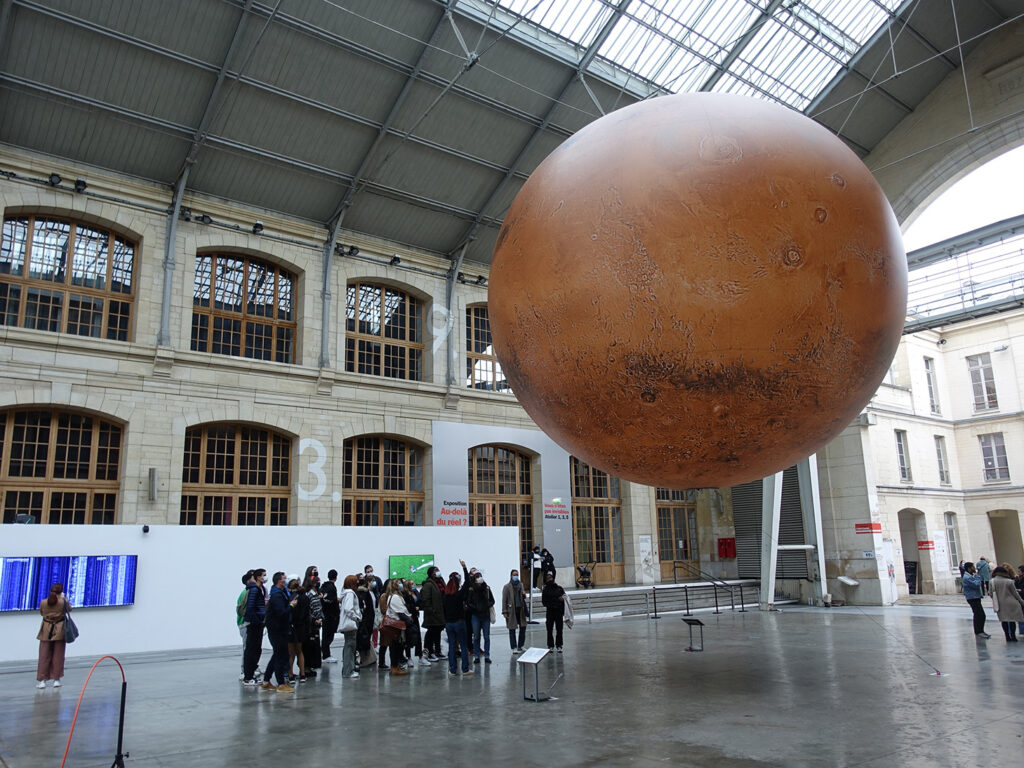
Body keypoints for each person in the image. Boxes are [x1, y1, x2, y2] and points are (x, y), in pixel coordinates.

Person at [261, 572, 294, 693]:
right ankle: (280, 683)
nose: (286, 581)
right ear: (279, 581)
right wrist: (291, 605)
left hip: (279, 629)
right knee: (281, 656)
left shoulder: (280, 593)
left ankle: (266, 681)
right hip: (277, 629)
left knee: (277, 655)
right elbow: (282, 612)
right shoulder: (277, 596)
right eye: (284, 579)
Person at [36, 583, 70, 688]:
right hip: (59, 630)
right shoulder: (63, 602)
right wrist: (63, 598)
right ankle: (56, 680)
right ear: (61, 592)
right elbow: (69, 610)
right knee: (58, 656)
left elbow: (42, 613)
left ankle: (42, 681)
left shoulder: (43, 602)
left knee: (44, 656)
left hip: (46, 630)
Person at [443, 571, 472, 676]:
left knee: (451, 646)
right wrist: (464, 568)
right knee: (463, 646)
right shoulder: (459, 595)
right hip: (459, 623)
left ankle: (452, 670)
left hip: (449, 624)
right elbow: (467, 582)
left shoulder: (445, 597)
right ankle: (465, 669)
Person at [241, 568, 267, 686]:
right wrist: (257, 621)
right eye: (263, 575)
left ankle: (251, 675)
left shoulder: (259, 589)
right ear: (257, 577)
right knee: (251, 650)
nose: (265, 577)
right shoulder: (254, 590)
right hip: (254, 624)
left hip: (257, 623)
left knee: (256, 650)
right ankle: (248, 676)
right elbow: (251, 608)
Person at [379, 579, 410, 675]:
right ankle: (394, 667)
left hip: (395, 625)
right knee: (395, 647)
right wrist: (409, 620)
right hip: (396, 626)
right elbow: (400, 612)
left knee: (395, 646)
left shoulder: (393, 596)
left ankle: (395, 666)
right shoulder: (395, 597)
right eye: (399, 584)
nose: (401, 585)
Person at [467, 570, 495, 664]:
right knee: (476, 637)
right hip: (476, 616)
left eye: (480, 576)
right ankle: (476, 656)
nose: (479, 578)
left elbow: (492, 600)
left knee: (486, 637)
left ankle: (487, 655)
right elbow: (469, 602)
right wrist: (475, 608)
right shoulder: (471, 589)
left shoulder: (486, 588)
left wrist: (487, 605)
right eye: (477, 576)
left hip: (485, 615)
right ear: (474, 579)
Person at [990, 565, 1024, 642]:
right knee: (1012, 620)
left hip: (1000, 603)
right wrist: (1021, 602)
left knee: (1004, 620)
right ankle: (1013, 636)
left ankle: (1007, 636)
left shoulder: (992, 582)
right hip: (1011, 602)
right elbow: (1015, 594)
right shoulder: (1009, 581)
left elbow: (990, 593)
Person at [419, 565, 446, 662]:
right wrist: (431, 609)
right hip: (432, 614)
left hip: (440, 613)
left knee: (437, 632)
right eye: (436, 570)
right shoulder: (428, 584)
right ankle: (429, 652)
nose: (438, 571)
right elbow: (426, 599)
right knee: (431, 633)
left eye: (438, 569)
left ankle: (438, 651)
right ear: (431, 573)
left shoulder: (440, 582)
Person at [339, 574, 362, 678]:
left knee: (349, 646)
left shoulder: (345, 593)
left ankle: (347, 669)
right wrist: (356, 617)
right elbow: (348, 609)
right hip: (351, 623)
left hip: (348, 623)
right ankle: (348, 671)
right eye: (356, 581)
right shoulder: (350, 594)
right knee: (350, 647)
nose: (358, 582)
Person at [287, 578, 310, 682]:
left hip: (291, 627)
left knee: (290, 653)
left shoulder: (290, 598)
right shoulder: (305, 598)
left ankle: (290, 675)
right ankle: (302, 674)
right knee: (300, 651)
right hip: (301, 627)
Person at [301, 566, 323, 673]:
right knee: (309, 646)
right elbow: (309, 609)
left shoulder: (317, 593)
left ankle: (311, 666)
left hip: (317, 622)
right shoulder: (308, 593)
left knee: (315, 646)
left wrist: (321, 618)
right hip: (311, 623)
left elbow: (319, 607)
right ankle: (306, 667)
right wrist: (314, 619)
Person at [403, 579, 429, 666]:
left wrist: (418, 607)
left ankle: (420, 657)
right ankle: (409, 657)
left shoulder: (416, 592)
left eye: (414, 583)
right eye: (411, 584)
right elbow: (406, 606)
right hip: (408, 618)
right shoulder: (405, 594)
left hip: (415, 617)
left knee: (418, 637)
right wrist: (414, 608)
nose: (414, 585)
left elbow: (421, 602)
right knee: (408, 637)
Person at [502, 569, 528, 653]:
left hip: (520, 609)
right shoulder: (507, 586)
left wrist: (524, 595)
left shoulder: (521, 584)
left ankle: (521, 645)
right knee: (512, 628)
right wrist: (504, 611)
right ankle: (514, 647)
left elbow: (523, 596)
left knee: (523, 627)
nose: (516, 576)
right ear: (511, 576)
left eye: (517, 574)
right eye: (514, 575)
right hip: (511, 610)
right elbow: (504, 600)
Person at [962, 562, 989, 639]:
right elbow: (976, 585)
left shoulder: (969, 576)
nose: (974, 568)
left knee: (980, 615)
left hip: (975, 597)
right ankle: (978, 631)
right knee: (979, 614)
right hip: (972, 598)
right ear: (969, 568)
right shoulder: (967, 577)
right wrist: (978, 577)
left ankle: (980, 630)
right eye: (973, 567)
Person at [355, 574, 377, 669]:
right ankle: (364, 659)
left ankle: (369, 658)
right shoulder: (363, 592)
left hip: (370, 618)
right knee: (363, 640)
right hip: (366, 620)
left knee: (367, 639)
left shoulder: (371, 592)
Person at [320, 569, 341, 664]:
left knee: (326, 635)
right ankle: (326, 655)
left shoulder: (324, 586)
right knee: (328, 636)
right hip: (331, 616)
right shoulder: (332, 588)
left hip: (325, 614)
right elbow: (331, 601)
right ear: (336, 577)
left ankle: (325, 653)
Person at [541, 571, 566, 652]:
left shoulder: (559, 588)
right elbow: (544, 602)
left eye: (551, 578)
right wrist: (554, 601)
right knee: (549, 629)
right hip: (550, 611)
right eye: (548, 578)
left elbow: (564, 598)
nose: (550, 580)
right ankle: (550, 645)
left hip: (558, 611)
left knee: (559, 629)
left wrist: (561, 600)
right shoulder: (545, 590)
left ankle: (559, 645)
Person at [236, 570, 253, 680]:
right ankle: (244, 671)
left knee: (250, 648)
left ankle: (251, 668)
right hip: (245, 624)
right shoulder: (246, 593)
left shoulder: (249, 592)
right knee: (247, 648)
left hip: (245, 624)